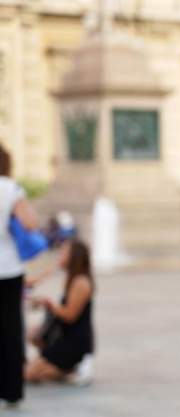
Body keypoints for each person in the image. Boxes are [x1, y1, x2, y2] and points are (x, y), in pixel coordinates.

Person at [0, 143, 40, 409]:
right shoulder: (10, 188)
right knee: (12, 329)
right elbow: (31, 223)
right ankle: (12, 390)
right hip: (9, 266)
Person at [24, 238, 95, 386]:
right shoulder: (73, 278)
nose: (59, 255)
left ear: (74, 256)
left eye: (64, 251)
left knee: (29, 374)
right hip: (61, 336)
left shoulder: (81, 282)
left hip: (73, 342)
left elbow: (70, 315)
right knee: (32, 333)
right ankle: (50, 363)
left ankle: (71, 367)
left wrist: (48, 303)